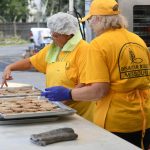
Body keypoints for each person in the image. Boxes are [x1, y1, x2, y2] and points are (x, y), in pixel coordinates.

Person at [41, 0, 150, 149]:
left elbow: (98, 91)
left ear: (98, 19)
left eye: (91, 20)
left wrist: (68, 93)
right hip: (144, 117)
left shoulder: (98, 45)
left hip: (116, 121)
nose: (90, 24)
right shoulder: (138, 40)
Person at [1, 12, 95, 122]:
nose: (53, 38)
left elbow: (85, 84)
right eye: (52, 34)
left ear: (69, 34)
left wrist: (62, 101)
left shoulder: (84, 50)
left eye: (56, 36)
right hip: (57, 110)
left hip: (78, 115)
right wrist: (10, 67)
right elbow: (31, 62)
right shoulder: (54, 47)